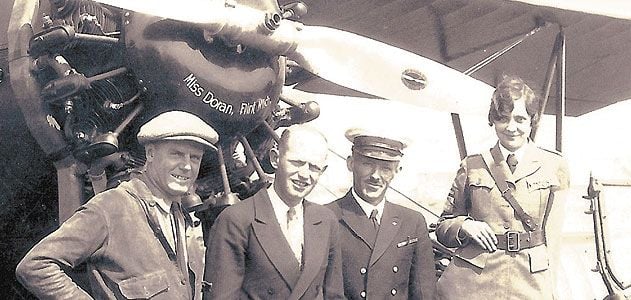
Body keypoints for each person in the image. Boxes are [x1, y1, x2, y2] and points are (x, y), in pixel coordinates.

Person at [16, 110, 218, 299]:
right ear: (151, 154)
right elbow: (35, 265)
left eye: (195, 158)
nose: (186, 166)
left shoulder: (181, 217)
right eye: (176, 154)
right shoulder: (112, 207)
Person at [435, 76, 570, 300]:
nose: (511, 127)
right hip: (474, 282)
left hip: (530, 282)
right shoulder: (473, 165)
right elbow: (443, 226)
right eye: (503, 119)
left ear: (532, 121)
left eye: (519, 119)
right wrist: (466, 226)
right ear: (493, 120)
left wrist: (551, 289)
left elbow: (553, 238)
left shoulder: (554, 166)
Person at [203, 124, 344, 299]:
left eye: (314, 167)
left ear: (323, 171)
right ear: (275, 158)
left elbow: (334, 294)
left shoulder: (325, 221)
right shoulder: (236, 219)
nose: (305, 175)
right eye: (297, 163)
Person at [325, 128, 437, 299]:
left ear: (397, 171)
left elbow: (424, 292)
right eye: (367, 164)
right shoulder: (326, 217)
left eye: (385, 168)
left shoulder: (412, 222)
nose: (376, 176)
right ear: (350, 163)